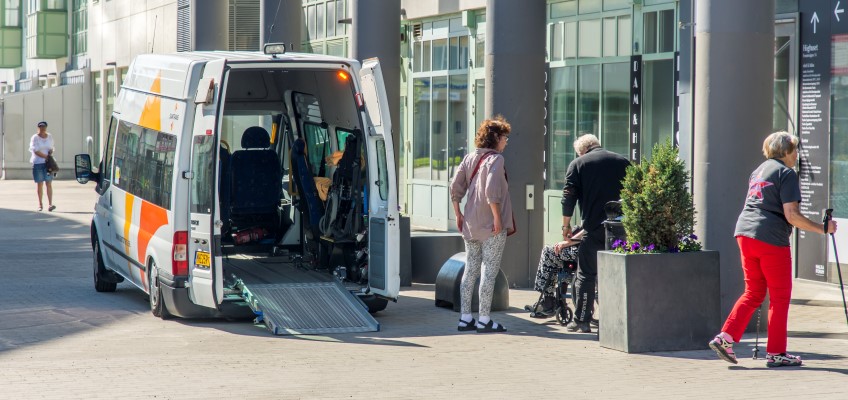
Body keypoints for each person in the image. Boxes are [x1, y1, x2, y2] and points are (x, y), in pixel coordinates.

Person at [709, 131, 837, 368]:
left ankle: (725, 338)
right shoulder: (787, 173)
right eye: (795, 150)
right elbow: (792, 215)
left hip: (744, 233)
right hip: (770, 237)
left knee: (754, 291)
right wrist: (822, 229)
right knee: (779, 297)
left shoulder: (759, 170)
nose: (797, 155)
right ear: (786, 152)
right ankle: (777, 353)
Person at [450, 116, 514, 333]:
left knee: (470, 269)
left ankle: (465, 317)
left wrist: (457, 213)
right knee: (489, 272)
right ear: (495, 137)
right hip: (491, 226)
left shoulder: (470, 157)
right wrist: (497, 218)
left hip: (470, 223)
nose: (506, 142)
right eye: (505, 137)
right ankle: (484, 320)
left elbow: (455, 186)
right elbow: (491, 191)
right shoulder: (496, 160)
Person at [560, 134, 630, 333]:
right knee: (617, 274)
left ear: (582, 151)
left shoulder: (578, 163)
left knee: (586, 275)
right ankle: (614, 321)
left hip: (593, 228)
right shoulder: (622, 161)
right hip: (621, 229)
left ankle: (582, 320)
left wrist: (566, 227)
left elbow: (568, 197)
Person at [528, 227, 584, 318]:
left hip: (583, 251)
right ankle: (556, 301)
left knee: (547, 251)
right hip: (585, 248)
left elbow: (588, 230)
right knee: (558, 258)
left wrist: (568, 242)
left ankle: (548, 300)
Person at [29, 121, 56, 212]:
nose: (42, 128)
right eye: (40, 127)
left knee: (49, 183)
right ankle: (40, 204)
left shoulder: (50, 136)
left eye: (44, 127)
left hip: (48, 164)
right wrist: (46, 157)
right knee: (40, 184)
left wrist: (51, 152)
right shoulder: (35, 138)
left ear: (46, 127)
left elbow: (52, 147)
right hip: (38, 163)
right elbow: (35, 150)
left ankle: (50, 204)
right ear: (38, 128)